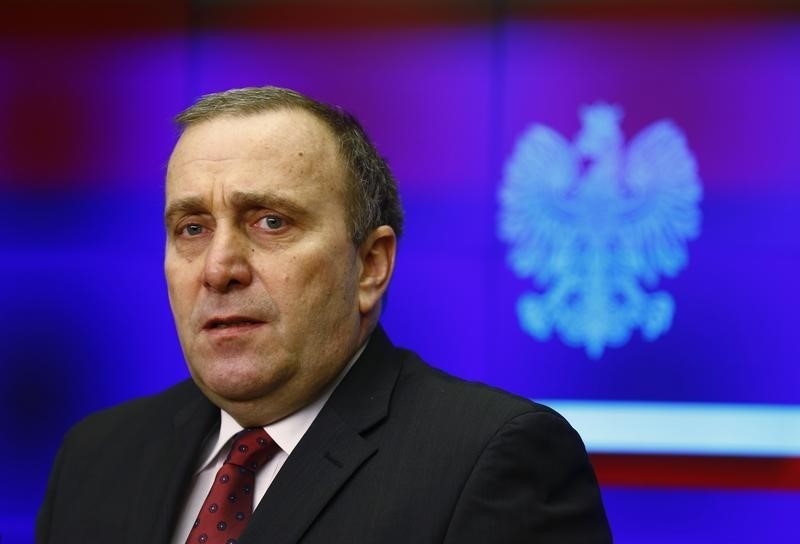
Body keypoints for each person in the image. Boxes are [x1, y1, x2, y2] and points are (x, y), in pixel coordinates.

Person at [36, 86, 612, 543]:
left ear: (369, 265)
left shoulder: (493, 461)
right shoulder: (95, 458)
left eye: (270, 222)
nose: (218, 269)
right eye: (192, 228)